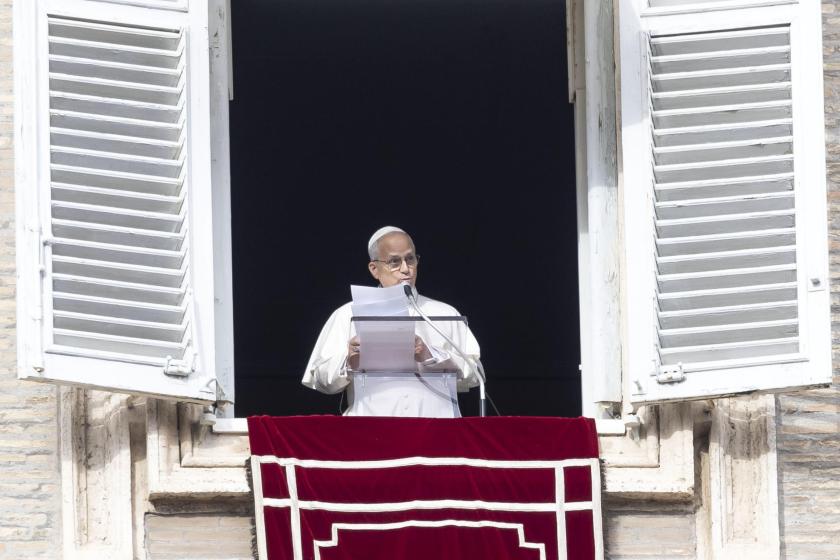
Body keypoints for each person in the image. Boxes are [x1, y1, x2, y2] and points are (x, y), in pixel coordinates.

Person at [301, 226, 481, 416]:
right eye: (394, 262)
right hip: (370, 434)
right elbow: (320, 380)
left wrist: (431, 356)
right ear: (374, 269)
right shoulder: (347, 314)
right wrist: (349, 361)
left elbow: (476, 375)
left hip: (436, 432)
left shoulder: (445, 312)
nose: (406, 269)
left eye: (410, 259)